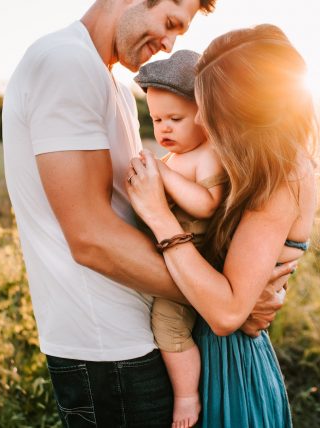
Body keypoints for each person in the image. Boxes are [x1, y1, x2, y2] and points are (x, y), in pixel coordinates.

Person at [2, 1, 299, 425]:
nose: (170, 44)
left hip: (141, 337)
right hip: (110, 349)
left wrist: (232, 293)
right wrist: (227, 301)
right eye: (169, 23)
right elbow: (90, 239)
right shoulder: (66, 64)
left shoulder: (115, 86)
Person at [126, 24, 320, 427]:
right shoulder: (250, 168)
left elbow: (227, 312)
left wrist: (159, 217)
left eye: (208, 105)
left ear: (244, 110)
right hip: (209, 351)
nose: (200, 116)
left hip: (230, 366)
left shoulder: (281, 176)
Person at [134, 49, 225, 427]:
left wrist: (163, 175)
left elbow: (206, 204)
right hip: (171, 259)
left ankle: (187, 398)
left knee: (167, 324)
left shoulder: (209, 154)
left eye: (175, 118)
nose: (164, 129)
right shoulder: (174, 158)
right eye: (157, 120)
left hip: (197, 266)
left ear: (204, 116)